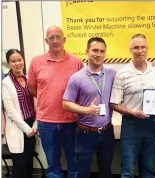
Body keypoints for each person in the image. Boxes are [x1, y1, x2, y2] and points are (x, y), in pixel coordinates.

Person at [27, 26, 84, 178]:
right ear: (46, 41)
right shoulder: (36, 62)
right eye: (51, 37)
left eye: (58, 37)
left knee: (74, 164)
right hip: (46, 123)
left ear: (64, 39)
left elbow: (83, 87)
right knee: (53, 166)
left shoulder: (77, 62)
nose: (55, 40)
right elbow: (32, 88)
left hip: (71, 121)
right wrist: (47, 98)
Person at [110, 34, 155, 178]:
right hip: (131, 125)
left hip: (151, 124)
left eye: (143, 47)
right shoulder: (122, 74)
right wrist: (133, 113)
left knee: (149, 168)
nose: (140, 51)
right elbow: (114, 103)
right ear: (130, 50)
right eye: (136, 48)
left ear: (147, 49)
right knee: (128, 169)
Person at [62, 37, 116, 178]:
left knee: (106, 171)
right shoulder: (77, 78)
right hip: (85, 133)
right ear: (87, 51)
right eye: (95, 50)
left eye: (102, 51)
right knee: (83, 172)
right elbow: (66, 103)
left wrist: (150, 65)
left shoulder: (112, 74)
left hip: (106, 132)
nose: (98, 54)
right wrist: (87, 110)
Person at [2, 49, 37, 178]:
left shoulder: (29, 79)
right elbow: (10, 111)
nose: (17, 63)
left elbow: (38, 102)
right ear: (9, 63)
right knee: (20, 165)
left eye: (19, 60)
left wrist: (35, 124)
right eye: (13, 61)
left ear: (23, 60)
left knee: (29, 162)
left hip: (32, 125)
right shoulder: (5, 84)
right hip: (18, 127)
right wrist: (27, 129)